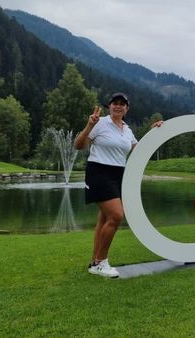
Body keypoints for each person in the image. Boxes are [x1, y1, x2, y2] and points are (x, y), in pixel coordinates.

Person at [74, 92, 163, 277]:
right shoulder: (100, 123)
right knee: (116, 215)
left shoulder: (127, 130)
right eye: (115, 103)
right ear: (109, 106)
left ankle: (94, 263)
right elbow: (79, 145)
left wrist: (155, 132)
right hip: (98, 172)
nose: (118, 106)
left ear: (127, 109)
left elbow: (139, 150)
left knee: (104, 218)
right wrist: (89, 124)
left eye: (122, 104)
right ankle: (101, 262)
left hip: (118, 174)